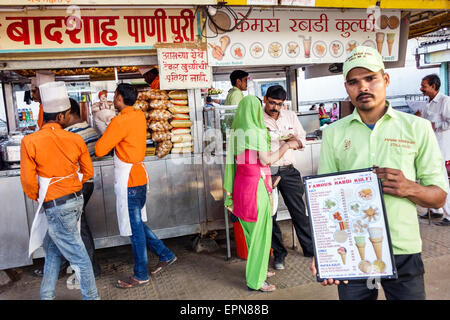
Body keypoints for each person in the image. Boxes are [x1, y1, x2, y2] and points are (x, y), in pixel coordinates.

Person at [311, 46, 448, 300]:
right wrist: (326, 252)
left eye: (370, 78)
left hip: (403, 249)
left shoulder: (417, 129)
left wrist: (409, 188)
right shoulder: (333, 133)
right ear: (347, 88)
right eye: (354, 82)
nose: (363, 87)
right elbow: (324, 202)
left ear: (385, 79)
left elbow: (439, 197)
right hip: (355, 253)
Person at [20, 81, 99, 300]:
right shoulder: (75, 138)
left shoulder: (29, 141)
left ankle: (92, 297)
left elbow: (27, 181)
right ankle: (46, 295)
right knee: (52, 249)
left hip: (55, 204)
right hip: (76, 200)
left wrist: (42, 195)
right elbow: (88, 171)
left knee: (79, 257)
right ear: (62, 116)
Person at [95, 83, 176, 289]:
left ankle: (141, 274)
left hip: (129, 181)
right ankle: (166, 254)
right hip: (139, 178)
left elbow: (100, 149)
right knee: (137, 223)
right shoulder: (139, 116)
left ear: (119, 97)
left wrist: (106, 126)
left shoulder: (120, 121)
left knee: (134, 229)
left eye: (115, 96)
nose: (114, 99)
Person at [223, 95, 301, 292]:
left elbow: (233, 164)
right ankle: (256, 281)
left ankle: (258, 269)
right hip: (256, 188)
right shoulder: (256, 132)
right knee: (260, 234)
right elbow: (267, 160)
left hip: (241, 186)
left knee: (251, 234)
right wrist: (287, 146)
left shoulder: (236, 133)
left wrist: (229, 194)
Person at [33, 98, 102, 280]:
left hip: (72, 187)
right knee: (74, 228)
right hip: (84, 184)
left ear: (65, 114)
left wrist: (37, 194)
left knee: (70, 229)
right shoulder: (88, 128)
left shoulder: (71, 134)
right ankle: (80, 268)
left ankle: (75, 269)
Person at [262, 85, 314, 270]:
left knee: (299, 211)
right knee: (271, 215)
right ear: (265, 98)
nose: (275, 108)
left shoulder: (290, 116)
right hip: (269, 171)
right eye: (272, 103)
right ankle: (279, 254)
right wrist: (286, 142)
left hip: (289, 170)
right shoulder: (258, 118)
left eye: (279, 104)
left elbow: (302, 139)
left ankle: (310, 249)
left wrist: (292, 141)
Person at [417, 74, 450, 226]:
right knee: (428, 177)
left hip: (441, 146)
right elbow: (424, 124)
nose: (421, 89)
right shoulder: (427, 104)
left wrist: (434, 126)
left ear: (434, 86)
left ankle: (449, 215)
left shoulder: (445, 101)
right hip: (429, 146)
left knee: (442, 179)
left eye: (424, 86)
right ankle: (435, 210)